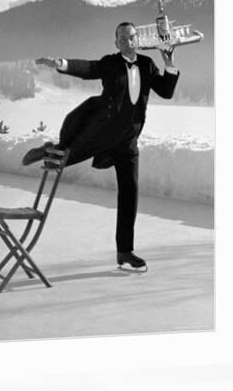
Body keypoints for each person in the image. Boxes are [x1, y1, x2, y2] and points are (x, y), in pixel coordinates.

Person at [22, 22, 179, 270]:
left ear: (137, 39)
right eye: (122, 39)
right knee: (66, 157)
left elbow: (166, 92)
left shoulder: (148, 64)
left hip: (128, 140)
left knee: (130, 194)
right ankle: (49, 149)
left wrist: (169, 63)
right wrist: (61, 64)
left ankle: (125, 251)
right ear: (116, 43)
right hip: (102, 132)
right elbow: (88, 68)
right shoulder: (111, 63)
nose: (127, 42)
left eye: (131, 37)